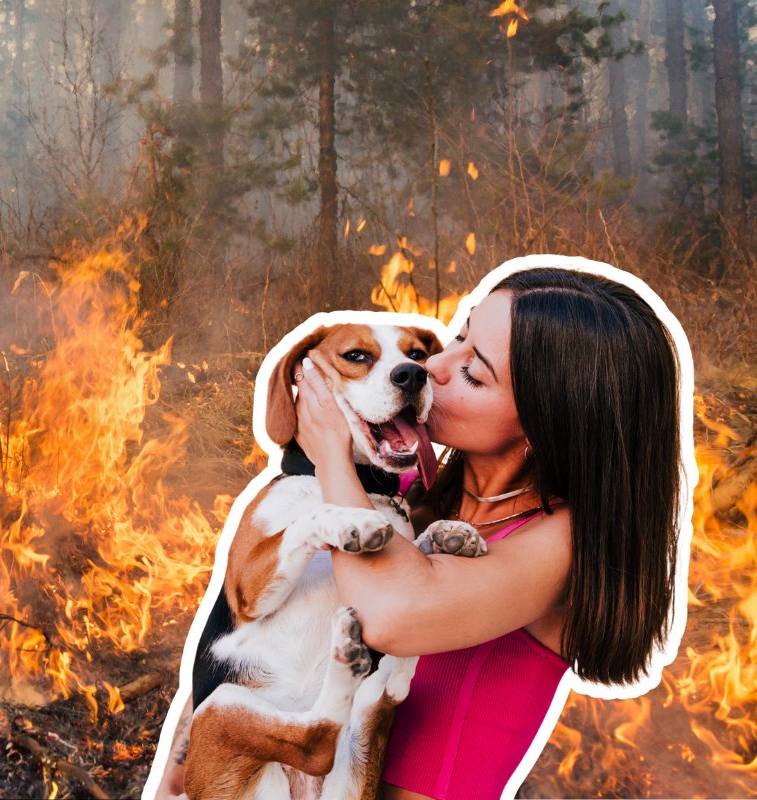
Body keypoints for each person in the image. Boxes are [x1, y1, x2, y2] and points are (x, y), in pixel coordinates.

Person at [146, 257, 693, 800]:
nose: (431, 367)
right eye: (455, 338)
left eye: (473, 372)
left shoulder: (559, 542)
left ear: (547, 423)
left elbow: (389, 615)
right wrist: (183, 766)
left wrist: (330, 456)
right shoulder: (408, 498)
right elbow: (254, 638)